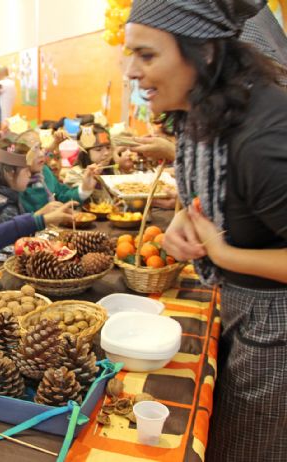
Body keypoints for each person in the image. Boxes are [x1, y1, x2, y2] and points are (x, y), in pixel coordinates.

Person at [125, 2, 287, 461]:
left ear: (205, 53)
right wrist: (184, 217)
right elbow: (216, 189)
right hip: (242, 306)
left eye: (148, 55)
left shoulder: (265, 139)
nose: (133, 72)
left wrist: (225, 253)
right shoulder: (209, 110)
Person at [18, 130, 93, 213]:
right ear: (19, 156)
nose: (41, 154)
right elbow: (12, 222)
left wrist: (85, 189)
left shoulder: (44, 171)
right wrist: (42, 215)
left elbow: (62, 194)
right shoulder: (15, 182)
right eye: (33, 150)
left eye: (40, 148)